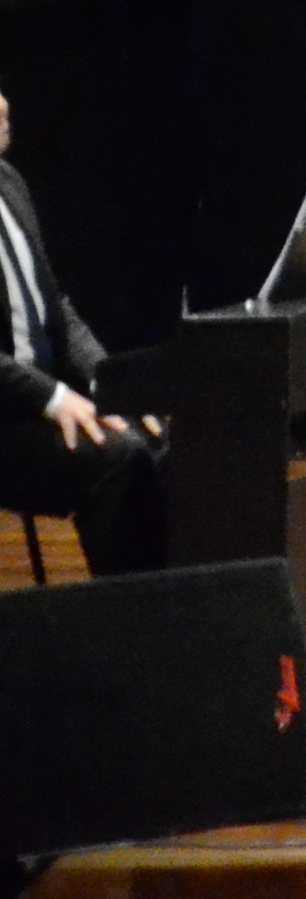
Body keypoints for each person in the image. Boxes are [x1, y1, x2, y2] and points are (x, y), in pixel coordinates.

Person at [0, 81, 165, 578]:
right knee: (117, 459)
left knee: (165, 444)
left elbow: (59, 308)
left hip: (36, 404)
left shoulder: (9, 181)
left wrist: (113, 384)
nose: (5, 103)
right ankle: (126, 630)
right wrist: (53, 399)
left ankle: (177, 611)